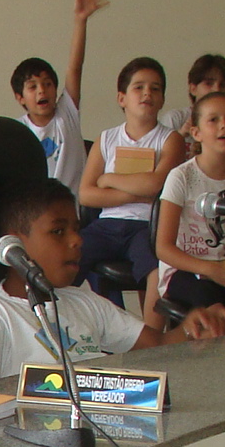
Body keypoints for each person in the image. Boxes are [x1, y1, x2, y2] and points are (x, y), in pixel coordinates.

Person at [0, 179, 225, 384]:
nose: (77, 240)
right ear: (15, 245)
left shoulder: (85, 302)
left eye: (76, 229)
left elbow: (157, 346)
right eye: (58, 231)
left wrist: (192, 329)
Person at [152, 92, 225, 331]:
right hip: (187, 272)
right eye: (213, 120)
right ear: (196, 133)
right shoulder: (181, 177)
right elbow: (163, 248)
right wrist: (212, 270)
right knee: (217, 314)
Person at [78, 56, 184, 300]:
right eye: (139, 87)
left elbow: (156, 184)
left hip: (147, 226)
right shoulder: (106, 139)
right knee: (67, 255)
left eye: (155, 89)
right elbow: (86, 193)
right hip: (107, 225)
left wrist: (109, 179)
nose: (147, 93)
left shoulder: (170, 140)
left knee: (156, 269)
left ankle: (152, 334)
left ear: (163, 100)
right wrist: (137, 193)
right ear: (121, 98)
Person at [12, 0, 105, 194]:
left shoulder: (67, 114)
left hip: (71, 209)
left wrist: (80, 20)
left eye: (47, 84)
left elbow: (74, 68)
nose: (41, 91)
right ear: (20, 98)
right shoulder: (18, 132)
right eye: (32, 87)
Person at [159, 53, 225, 140]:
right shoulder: (175, 118)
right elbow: (159, 151)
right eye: (208, 83)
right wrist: (181, 134)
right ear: (193, 88)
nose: (217, 90)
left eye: (223, 85)